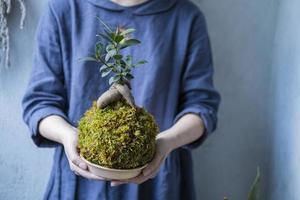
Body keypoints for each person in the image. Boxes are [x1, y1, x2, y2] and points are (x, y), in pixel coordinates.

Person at [21, 0, 221, 199]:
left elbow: (202, 106)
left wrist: (165, 142)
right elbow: (40, 102)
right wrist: (68, 135)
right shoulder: (64, 9)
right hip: (79, 183)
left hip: (158, 186)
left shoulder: (186, 17)